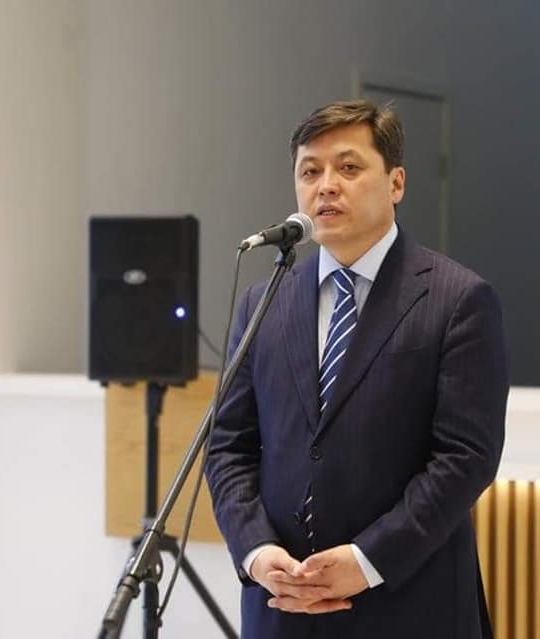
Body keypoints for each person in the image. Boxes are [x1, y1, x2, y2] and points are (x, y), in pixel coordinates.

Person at [205, 99, 509, 638]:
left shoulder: (458, 299)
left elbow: (465, 458)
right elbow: (228, 446)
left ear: (396, 183)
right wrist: (256, 552)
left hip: (409, 606)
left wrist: (366, 561)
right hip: (283, 608)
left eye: (348, 167)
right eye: (310, 172)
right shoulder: (264, 302)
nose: (326, 186)